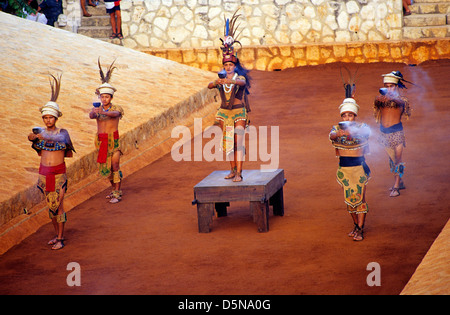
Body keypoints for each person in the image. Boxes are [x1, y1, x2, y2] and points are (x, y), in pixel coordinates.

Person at [28, 73, 75, 250]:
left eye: (51, 117)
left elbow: (59, 140)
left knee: (59, 205)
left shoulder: (62, 133)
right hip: (44, 174)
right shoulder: (39, 133)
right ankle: (57, 234)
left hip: (58, 174)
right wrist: (33, 136)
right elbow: (31, 136)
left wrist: (41, 135)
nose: (48, 120)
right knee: (51, 207)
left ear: (56, 118)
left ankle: (61, 238)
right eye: (45, 118)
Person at [207, 10, 251, 182]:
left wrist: (229, 82)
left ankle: (239, 172)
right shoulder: (221, 78)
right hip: (225, 114)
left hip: (239, 113)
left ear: (235, 65)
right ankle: (232, 170)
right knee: (229, 144)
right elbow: (210, 85)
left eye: (231, 64)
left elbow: (242, 83)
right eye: (226, 64)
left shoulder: (238, 78)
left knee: (237, 142)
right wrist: (216, 83)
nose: (229, 66)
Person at [329, 97, 371, 241]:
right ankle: (356, 225)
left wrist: (351, 133)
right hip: (344, 170)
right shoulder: (336, 129)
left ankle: (360, 229)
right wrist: (339, 134)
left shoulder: (362, 127)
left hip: (359, 168)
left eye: (350, 115)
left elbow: (367, 134)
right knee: (349, 200)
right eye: (345, 115)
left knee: (360, 199)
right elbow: (332, 135)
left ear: (355, 116)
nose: (347, 117)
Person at [89, 58, 124, 203]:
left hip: (113, 141)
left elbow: (115, 115)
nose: (104, 99)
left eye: (106, 97)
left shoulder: (116, 108)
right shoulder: (97, 109)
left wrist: (102, 112)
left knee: (115, 165)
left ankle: (117, 192)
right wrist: (95, 111)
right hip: (101, 141)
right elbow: (91, 115)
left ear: (111, 97)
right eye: (102, 97)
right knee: (107, 169)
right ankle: (114, 189)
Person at [374, 71, 412, 197]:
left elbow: (400, 104)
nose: (389, 88)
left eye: (392, 86)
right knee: (392, 160)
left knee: (398, 159)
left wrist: (394, 95)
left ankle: (396, 185)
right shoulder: (380, 99)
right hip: (384, 134)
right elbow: (378, 100)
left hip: (397, 133)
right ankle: (400, 181)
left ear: (397, 86)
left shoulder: (402, 101)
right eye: (387, 86)